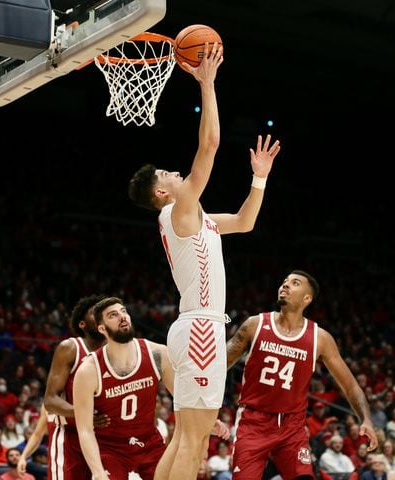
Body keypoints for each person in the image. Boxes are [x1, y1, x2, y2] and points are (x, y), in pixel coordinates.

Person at [127, 40, 281, 480]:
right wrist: (207, 84)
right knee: (193, 441)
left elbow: (246, 222)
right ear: (161, 192)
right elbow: (210, 144)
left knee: (184, 437)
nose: (176, 174)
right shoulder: (178, 210)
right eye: (167, 176)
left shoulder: (194, 217)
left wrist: (259, 179)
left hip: (196, 327)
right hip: (200, 328)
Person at [226, 270, 378, 479]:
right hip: (253, 422)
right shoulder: (254, 325)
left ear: (307, 298)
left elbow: (350, 386)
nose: (285, 286)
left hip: (292, 426)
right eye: (284, 282)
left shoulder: (320, 338)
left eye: (294, 283)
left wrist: (366, 419)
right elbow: (219, 364)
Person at [73, 296, 228, 480]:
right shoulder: (88, 370)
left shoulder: (157, 354)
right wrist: (98, 472)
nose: (122, 317)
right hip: (110, 450)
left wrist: (205, 418)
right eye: (113, 315)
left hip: (149, 444)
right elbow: (84, 430)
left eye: (124, 311)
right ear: (101, 328)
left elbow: (182, 398)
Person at [42, 295, 107, 480]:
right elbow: (50, 400)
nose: (100, 316)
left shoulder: (115, 352)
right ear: (82, 324)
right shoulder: (70, 348)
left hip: (106, 438)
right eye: (94, 313)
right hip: (71, 438)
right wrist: (85, 415)